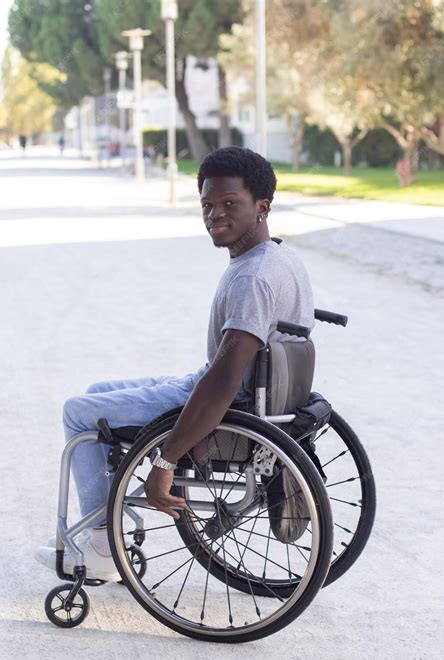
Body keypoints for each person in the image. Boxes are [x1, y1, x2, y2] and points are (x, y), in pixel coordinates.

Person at [35, 147, 314, 581]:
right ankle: (109, 519)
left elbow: (221, 382)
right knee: (97, 393)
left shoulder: (252, 277)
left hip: (226, 402)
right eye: (207, 204)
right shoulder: (279, 258)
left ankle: (106, 544)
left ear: (262, 208)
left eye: (229, 204)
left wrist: (165, 462)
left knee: (77, 412)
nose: (214, 215)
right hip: (249, 392)